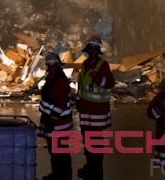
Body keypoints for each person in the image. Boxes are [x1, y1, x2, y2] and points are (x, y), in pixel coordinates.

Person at [76, 34, 114, 180]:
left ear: (98, 50)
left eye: (94, 48)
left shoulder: (102, 65)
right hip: (86, 110)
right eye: (90, 48)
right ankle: (90, 166)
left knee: (96, 142)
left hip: (97, 112)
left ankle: (96, 170)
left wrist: (97, 78)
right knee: (87, 141)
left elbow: (110, 83)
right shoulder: (85, 64)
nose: (92, 51)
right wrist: (78, 102)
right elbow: (82, 86)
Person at [38, 52, 74, 180]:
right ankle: (58, 174)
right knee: (55, 151)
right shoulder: (52, 78)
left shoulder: (60, 81)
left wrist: (52, 120)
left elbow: (60, 103)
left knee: (59, 151)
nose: (51, 68)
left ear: (58, 66)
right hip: (54, 121)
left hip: (58, 122)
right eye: (49, 65)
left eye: (53, 65)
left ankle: (62, 175)